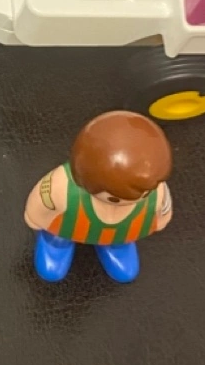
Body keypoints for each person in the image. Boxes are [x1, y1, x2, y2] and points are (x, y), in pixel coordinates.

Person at [24, 111, 172, 283]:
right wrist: (34, 217)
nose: (132, 200)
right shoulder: (61, 189)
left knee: (121, 242)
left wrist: (161, 219)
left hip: (122, 233)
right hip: (65, 228)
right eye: (114, 198)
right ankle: (56, 244)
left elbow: (163, 208)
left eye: (144, 193)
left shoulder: (155, 191)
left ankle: (115, 245)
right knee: (57, 237)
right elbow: (43, 202)